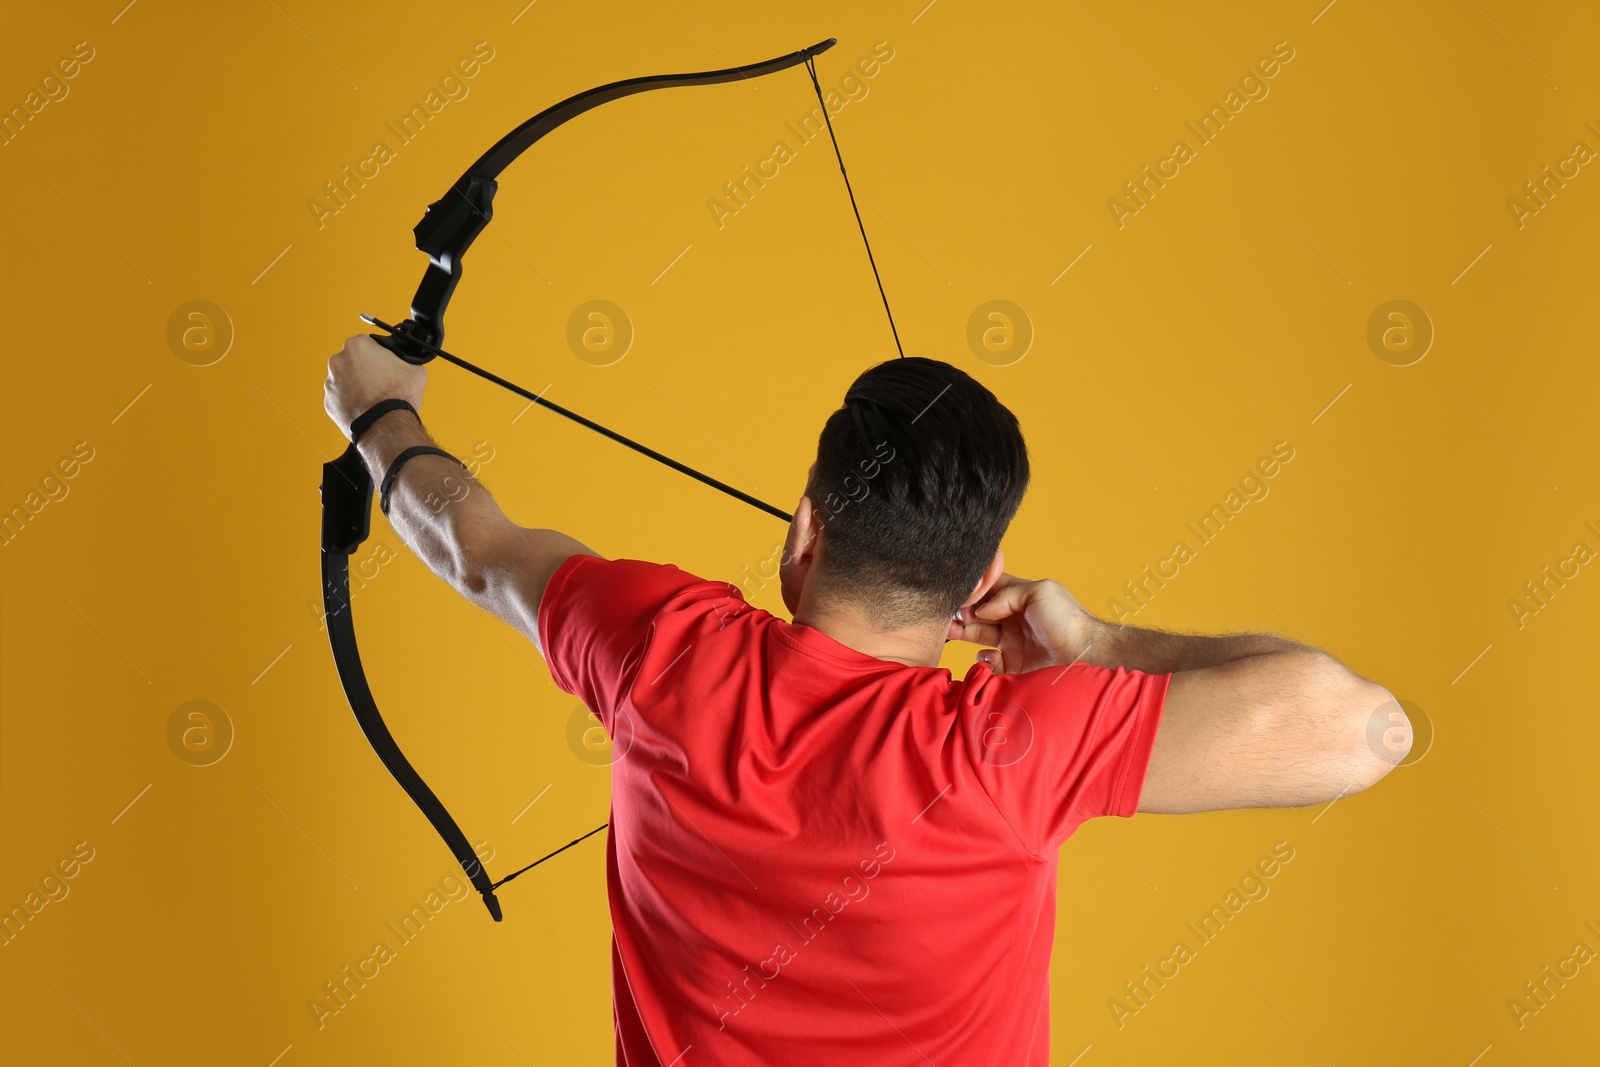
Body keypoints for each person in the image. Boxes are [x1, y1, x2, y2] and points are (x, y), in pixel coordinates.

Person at [324, 335, 1410, 1065]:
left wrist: (379, 413)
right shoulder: (1014, 748)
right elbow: (1368, 728)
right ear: (977, 583)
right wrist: (1100, 639)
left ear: (805, 528)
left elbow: (470, 542)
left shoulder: (658, 645)